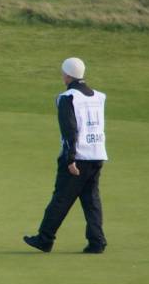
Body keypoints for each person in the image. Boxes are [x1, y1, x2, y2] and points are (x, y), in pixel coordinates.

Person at [23, 58, 108, 254]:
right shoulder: (98, 96)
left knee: (61, 198)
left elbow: (69, 130)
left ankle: (45, 239)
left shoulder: (68, 98)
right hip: (97, 154)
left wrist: (70, 159)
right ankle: (97, 241)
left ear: (68, 75)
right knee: (91, 199)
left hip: (78, 157)